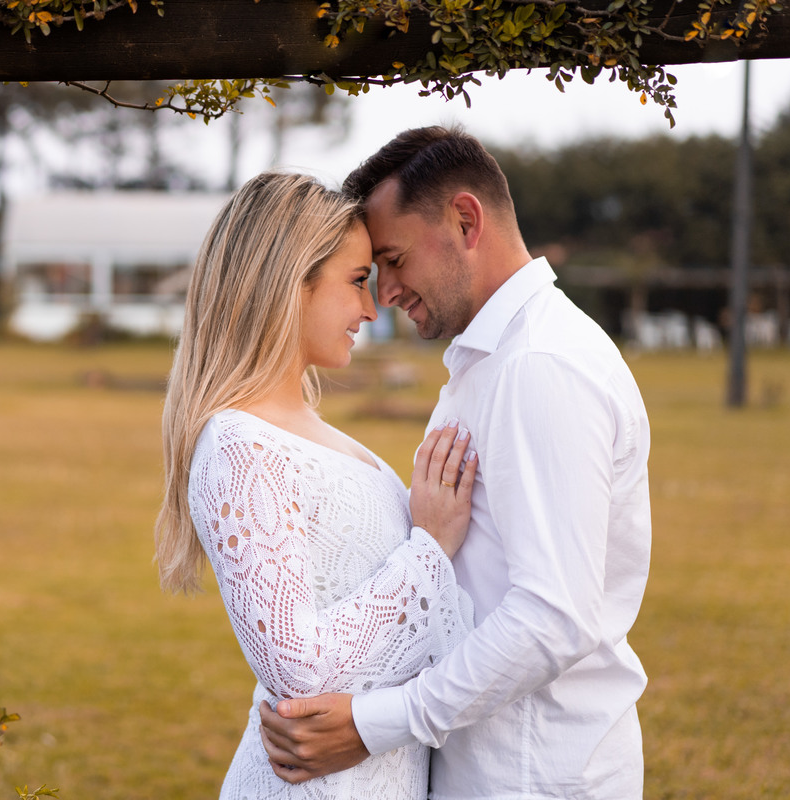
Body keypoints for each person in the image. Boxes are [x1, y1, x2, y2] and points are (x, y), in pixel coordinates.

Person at [258, 126, 653, 799]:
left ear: (465, 220)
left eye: (394, 259)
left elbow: (553, 617)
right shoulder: (493, 358)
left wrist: (377, 722)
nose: (384, 292)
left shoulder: (539, 365)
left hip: (532, 775)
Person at [155, 171, 479, 798]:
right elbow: (296, 671)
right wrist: (430, 551)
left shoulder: (303, 429)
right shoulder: (237, 445)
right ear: (289, 284)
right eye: (358, 280)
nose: (372, 305)